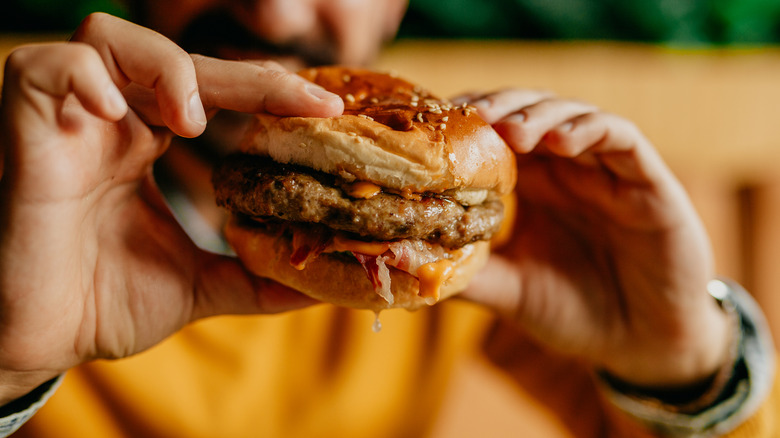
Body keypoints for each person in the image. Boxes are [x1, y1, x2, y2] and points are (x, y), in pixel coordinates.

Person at [0, 2, 776, 437]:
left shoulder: (477, 239)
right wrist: (7, 366)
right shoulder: (26, 192)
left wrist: (689, 362)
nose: (273, 11)